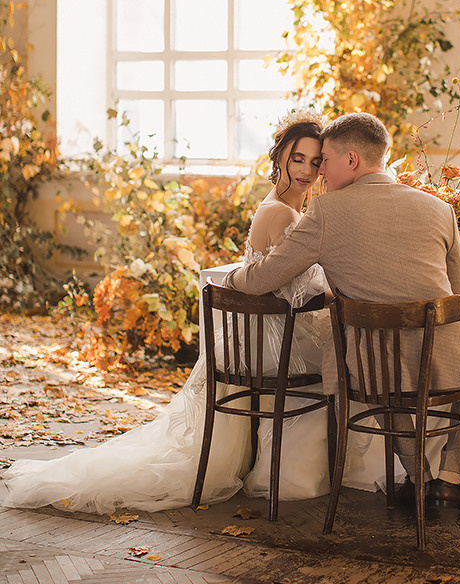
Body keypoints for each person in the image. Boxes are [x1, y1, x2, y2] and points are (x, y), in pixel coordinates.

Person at [1, 114, 331, 513]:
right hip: (271, 340)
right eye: (298, 159)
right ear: (280, 158)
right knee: (342, 365)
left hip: (260, 333)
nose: (307, 170)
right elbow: (295, 288)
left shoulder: (282, 207)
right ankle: (303, 479)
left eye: (315, 161)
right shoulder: (285, 215)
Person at [225, 112, 460, 511]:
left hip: (375, 365)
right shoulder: (439, 209)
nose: (320, 173)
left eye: (325, 162)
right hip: (445, 353)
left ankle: (417, 478)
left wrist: (231, 277)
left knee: (382, 376)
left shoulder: (325, 213)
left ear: (352, 160)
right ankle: (450, 477)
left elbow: (260, 279)